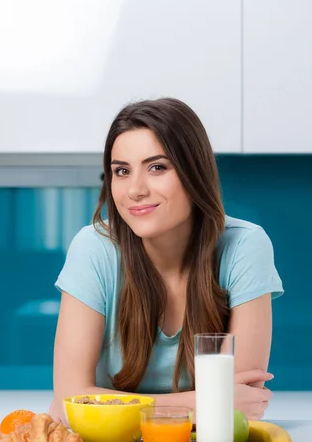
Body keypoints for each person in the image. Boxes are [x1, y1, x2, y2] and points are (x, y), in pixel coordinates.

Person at [50, 97, 284, 423]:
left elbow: (241, 407)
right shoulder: (93, 248)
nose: (135, 190)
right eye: (122, 171)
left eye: (157, 167)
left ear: (194, 172)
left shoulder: (245, 246)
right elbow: (67, 402)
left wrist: (102, 405)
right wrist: (199, 405)